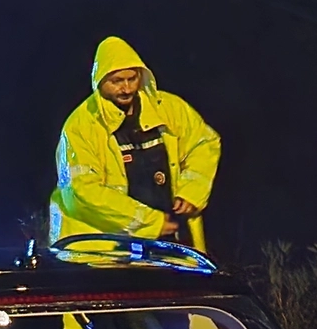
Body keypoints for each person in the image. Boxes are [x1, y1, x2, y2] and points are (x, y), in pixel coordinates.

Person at [49, 36, 222, 251]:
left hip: (173, 241)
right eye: (117, 81)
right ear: (100, 81)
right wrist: (149, 222)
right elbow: (82, 192)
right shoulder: (81, 126)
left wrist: (192, 192)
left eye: (132, 79)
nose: (126, 88)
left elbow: (204, 143)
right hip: (103, 251)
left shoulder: (169, 109)